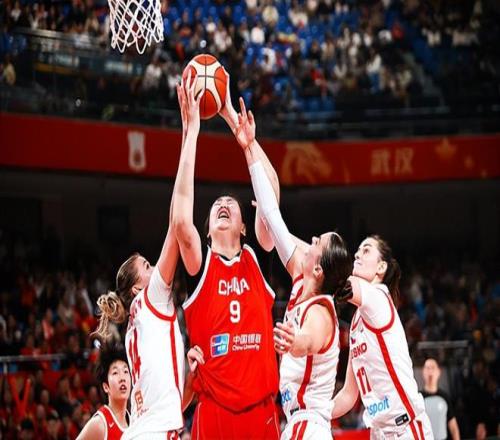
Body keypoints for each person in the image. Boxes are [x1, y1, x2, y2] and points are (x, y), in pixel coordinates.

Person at [92, 72, 202, 440]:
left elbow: (174, 405)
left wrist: (190, 379)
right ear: (138, 287)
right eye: (148, 266)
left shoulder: (139, 326)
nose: (157, 269)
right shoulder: (149, 301)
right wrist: (191, 132)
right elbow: (178, 219)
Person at [234, 99, 352, 439]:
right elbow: (273, 216)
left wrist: (294, 341)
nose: (310, 240)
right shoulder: (302, 279)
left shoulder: (321, 312)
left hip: (308, 425)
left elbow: (308, 341)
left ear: (320, 270)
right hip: (298, 423)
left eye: (317, 243)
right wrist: (249, 148)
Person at [173, 71, 281, 438]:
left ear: (245, 227)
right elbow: (180, 220)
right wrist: (191, 133)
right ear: (206, 230)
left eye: (230, 203)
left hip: (260, 411)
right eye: (216, 204)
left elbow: (271, 197)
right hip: (214, 411)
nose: (222, 203)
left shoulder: (256, 258)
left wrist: (242, 134)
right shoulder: (199, 266)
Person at [331, 236, 434, 439]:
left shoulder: (378, 297)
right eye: (357, 250)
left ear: (381, 267)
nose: (357, 255)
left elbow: (338, 279)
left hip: (406, 430)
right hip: (379, 432)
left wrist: (312, 254)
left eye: (366, 250)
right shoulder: (356, 322)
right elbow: (349, 395)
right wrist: (315, 413)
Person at [77, 345, 131, 439]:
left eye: (125, 371)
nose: (122, 378)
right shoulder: (99, 424)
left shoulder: (135, 420)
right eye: (115, 373)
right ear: (106, 387)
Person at [421, 358, 460, 440]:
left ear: (438, 372)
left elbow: (453, 427)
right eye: (427, 368)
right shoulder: (418, 398)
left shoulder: (445, 397)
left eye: (433, 368)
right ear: (423, 372)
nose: (430, 371)